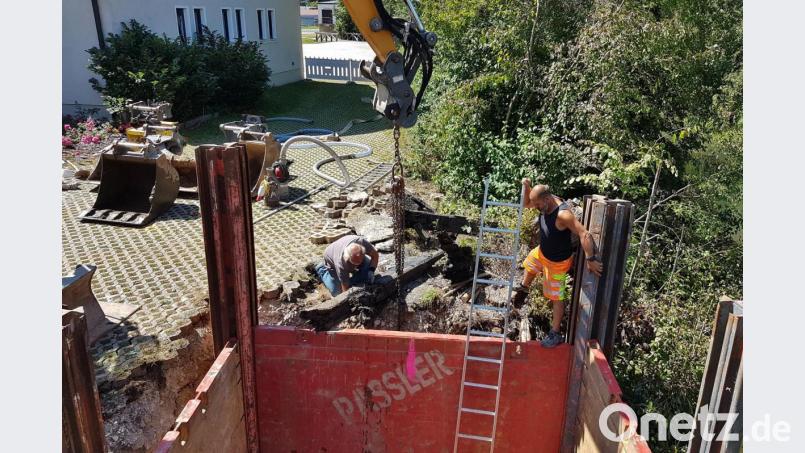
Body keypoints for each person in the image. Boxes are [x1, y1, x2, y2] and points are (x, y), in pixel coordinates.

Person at [513, 178, 603, 348]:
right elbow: (526, 204)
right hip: (543, 253)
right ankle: (524, 288)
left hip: (557, 263)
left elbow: (585, 234)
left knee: (556, 297)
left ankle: (555, 333)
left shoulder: (563, 214)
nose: (537, 209)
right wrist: (526, 187)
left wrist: (591, 260)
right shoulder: (544, 201)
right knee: (530, 263)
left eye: (538, 205)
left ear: (547, 200)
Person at [315, 234, 380, 296]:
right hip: (330, 258)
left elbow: (375, 255)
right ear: (347, 258)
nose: (357, 265)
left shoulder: (362, 242)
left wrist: (371, 271)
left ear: (363, 252)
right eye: (355, 263)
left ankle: (355, 278)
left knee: (367, 274)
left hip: (346, 245)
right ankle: (322, 270)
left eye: (360, 261)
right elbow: (345, 291)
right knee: (337, 293)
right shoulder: (341, 263)